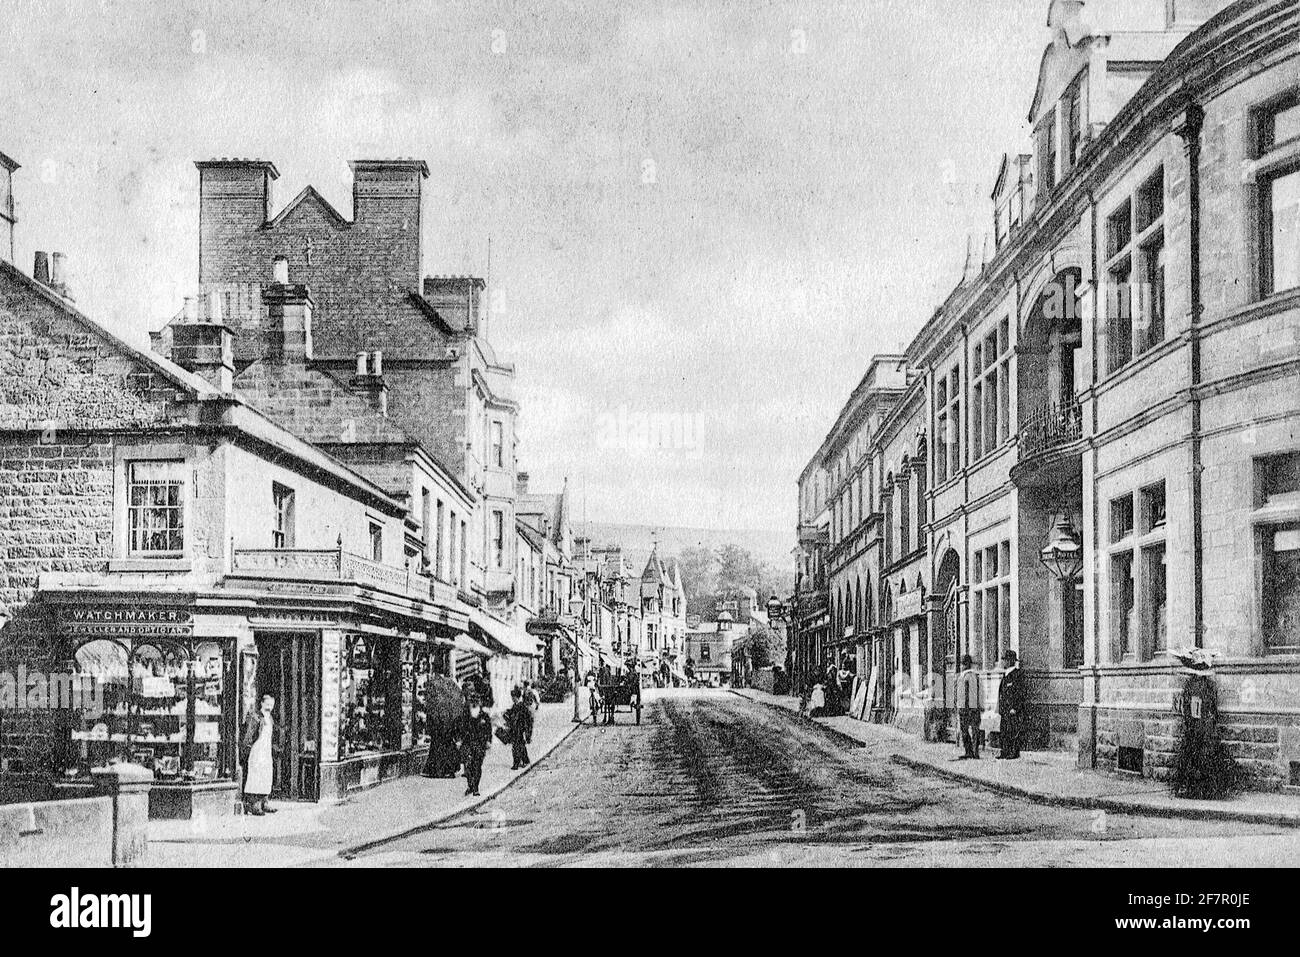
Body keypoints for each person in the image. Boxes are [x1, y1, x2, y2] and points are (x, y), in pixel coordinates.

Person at [240, 694, 277, 816]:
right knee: (255, 776)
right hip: (257, 750)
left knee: (266, 775)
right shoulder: (256, 717)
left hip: (266, 751)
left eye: (271, 705)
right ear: (261, 703)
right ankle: (254, 804)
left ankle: (264, 802)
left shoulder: (269, 718)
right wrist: (246, 749)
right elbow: (249, 736)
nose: (269, 707)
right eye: (267, 704)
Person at [459, 694, 494, 796]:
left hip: (480, 744)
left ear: (479, 702)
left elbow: (489, 730)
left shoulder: (484, 716)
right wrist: (459, 740)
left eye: (476, 700)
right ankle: (470, 785)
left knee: (477, 766)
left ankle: (476, 788)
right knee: (468, 765)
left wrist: (488, 741)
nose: (474, 702)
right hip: (468, 743)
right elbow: (460, 727)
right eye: (472, 700)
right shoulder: (465, 715)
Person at [997, 649, 1026, 759]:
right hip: (1005, 709)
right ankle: (1004, 751)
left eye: (1004, 659)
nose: (1003, 662)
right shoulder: (1006, 675)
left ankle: (1013, 752)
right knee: (1004, 730)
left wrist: (1015, 707)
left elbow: (1020, 693)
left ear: (1010, 661)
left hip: (1012, 710)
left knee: (1013, 731)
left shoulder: (1017, 674)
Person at [956, 654, 983, 759]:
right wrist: (981, 705)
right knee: (975, 729)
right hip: (974, 707)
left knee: (965, 729)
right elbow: (981, 692)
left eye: (963, 664)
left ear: (967, 665)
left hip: (965, 708)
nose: (962, 666)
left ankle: (969, 751)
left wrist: (959, 705)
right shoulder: (975, 676)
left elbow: (962, 694)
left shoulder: (963, 677)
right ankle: (975, 752)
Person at [504, 687, 534, 770]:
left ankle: (516, 763)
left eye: (513, 697)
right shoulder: (515, 706)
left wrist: (527, 733)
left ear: (517, 697)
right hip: (515, 729)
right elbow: (511, 714)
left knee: (516, 746)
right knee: (520, 746)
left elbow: (528, 720)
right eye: (512, 697)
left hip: (520, 729)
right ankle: (525, 760)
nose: (513, 699)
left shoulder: (522, 706)